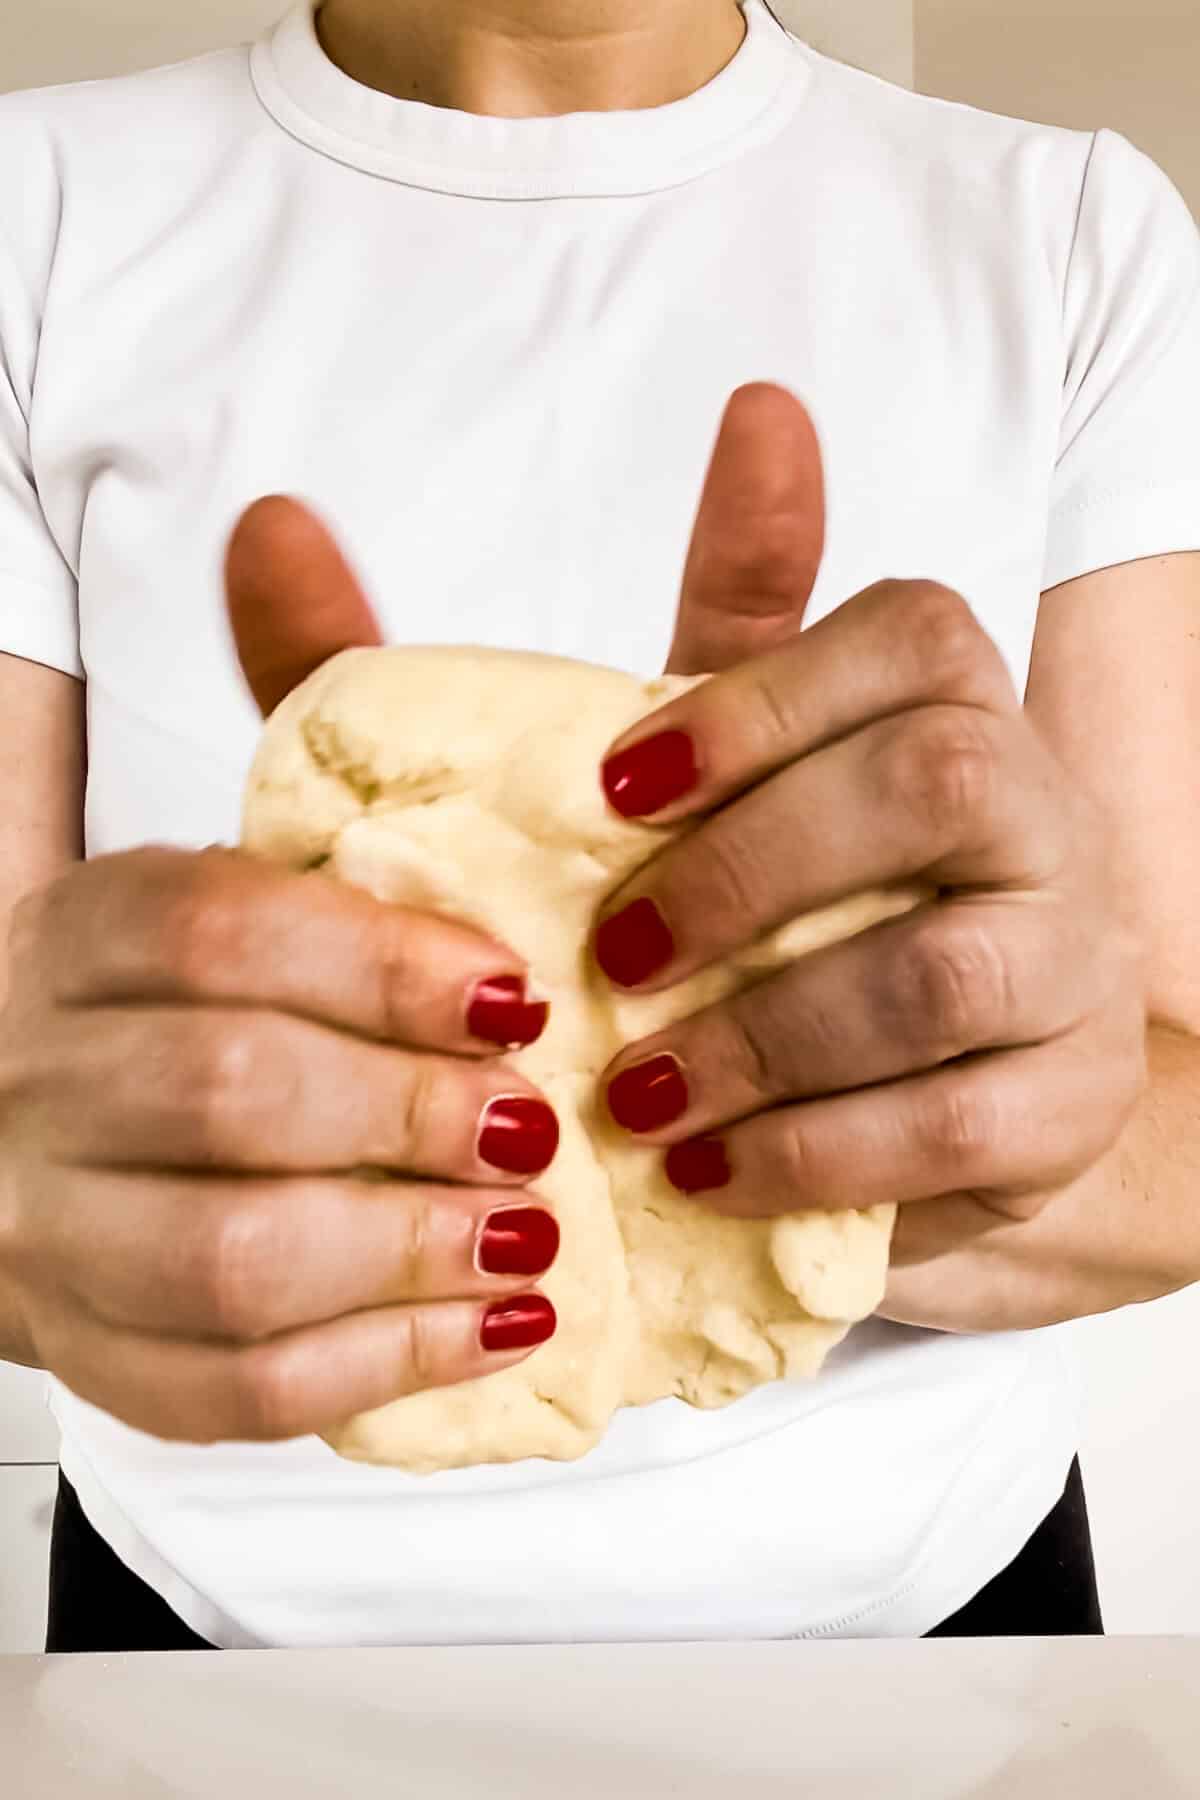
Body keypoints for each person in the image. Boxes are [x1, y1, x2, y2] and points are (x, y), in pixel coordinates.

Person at [0, 0, 1197, 1657]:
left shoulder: (1060, 232)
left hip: (928, 1634)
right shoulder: (39, 209)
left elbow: (1181, 1124)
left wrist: (854, 1147)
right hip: (209, 1631)